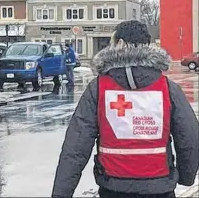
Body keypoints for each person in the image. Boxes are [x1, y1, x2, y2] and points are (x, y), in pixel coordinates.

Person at [52, 20, 199, 198]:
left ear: (120, 44)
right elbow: (190, 136)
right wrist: (186, 176)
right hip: (160, 186)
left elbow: (76, 147)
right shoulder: (168, 88)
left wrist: (61, 193)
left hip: (113, 186)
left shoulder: (98, 88)